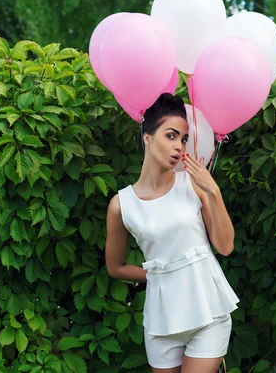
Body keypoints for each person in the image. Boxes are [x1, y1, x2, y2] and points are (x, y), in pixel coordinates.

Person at [105, 93, 239, 373]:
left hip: (208, 311)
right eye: (171, 136)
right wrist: (158, 274)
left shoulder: (194, 185)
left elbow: (225, 247)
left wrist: (213, 191)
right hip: (162, 318)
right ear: (148, 137)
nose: (179, 146)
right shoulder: (121, 205)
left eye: (184, 139)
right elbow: (115, 267)